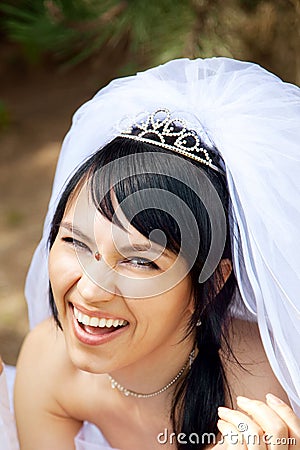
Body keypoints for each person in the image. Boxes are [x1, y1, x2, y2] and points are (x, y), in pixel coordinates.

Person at [1, 57, 300, 450]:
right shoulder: (49, 363)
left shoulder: (267, 393)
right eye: (75, 242)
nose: (90, 292)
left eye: (140, 260)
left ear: (212, 284)